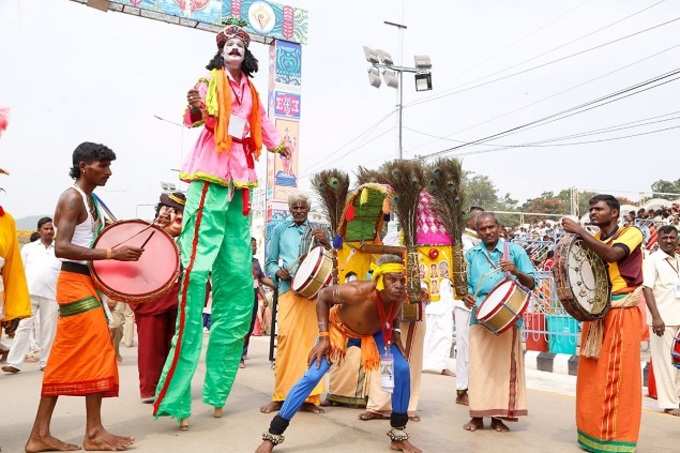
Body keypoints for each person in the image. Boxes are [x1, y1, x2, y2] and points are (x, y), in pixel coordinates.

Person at [153, 17, 291, 429]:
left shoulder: (250, 90)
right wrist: (196, 106)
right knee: (195, 280)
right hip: (210, 180)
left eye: (241, 44)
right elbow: (193, 117)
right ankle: (177, 400)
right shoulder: (209, 79)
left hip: (240, 185)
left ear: (247, 54)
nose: (235, 48)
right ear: (221, 50)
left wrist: (279, 146)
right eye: (229, 43)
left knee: (237, 288)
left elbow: (263, 128)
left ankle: (216, 391)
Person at [24, 142, 143, 452]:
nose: (109, 172)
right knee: (92, 352)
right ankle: (80, 433)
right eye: (102, 166)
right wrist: (111, 252)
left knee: (90, 353)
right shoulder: (71, 198)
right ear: (83, 166)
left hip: (85, 282)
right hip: (73, 282)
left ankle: (67, 432)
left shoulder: (90, 200)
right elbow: (61, 247)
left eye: (108, 165)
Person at [255, 255, 422, 453]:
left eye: (401, 280)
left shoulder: (399, 294)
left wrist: (394, 333)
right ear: (378, 279)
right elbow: (323, 296)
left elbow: (394, 311)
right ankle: (272, 435)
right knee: (313, 376)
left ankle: (398, 436)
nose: (399, 285)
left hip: (373, 332)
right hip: (339, 329)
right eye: (392, 279)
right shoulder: (357, 291)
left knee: (402, 368)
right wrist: (324, 337)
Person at [562, 194, 661, 453]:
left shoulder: (632, 233)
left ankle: (616, 440)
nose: (593, 212)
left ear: (615, 213)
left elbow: (613, 255)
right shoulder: (592, 239)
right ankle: (591, 436)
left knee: (617, 377)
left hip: (620, 310)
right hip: (596, 314)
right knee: (592, 376)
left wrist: (581, 231)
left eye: (599, 209)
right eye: (590, 209)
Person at [463, 212, 536, 433]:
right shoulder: (472, 254)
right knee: (479, 367)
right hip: (479, 315)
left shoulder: (515, 251)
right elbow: (463, 284)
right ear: (478, 232)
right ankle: (477, 416)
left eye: (491, 227)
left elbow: (532, 282)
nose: (487, 232)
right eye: (482, 229)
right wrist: (465, 296)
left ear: (499, 227)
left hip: (510, 316)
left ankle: (497, 417)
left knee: (503, 369)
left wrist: (515, 270)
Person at [261, 192, 329, 414]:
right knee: (285, 340)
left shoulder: (317, 230)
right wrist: (277, 271)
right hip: (287, 289)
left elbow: (329, 258)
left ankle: (310, 398)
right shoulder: (280, 229)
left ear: (308, 210)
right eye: (295, 208)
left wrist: (326, 243)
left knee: (312, 343)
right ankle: (280, 397)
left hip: (313, 293)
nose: (299, 211)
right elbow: (269, 263)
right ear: (290, 210)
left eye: (303, 208)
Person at [131, 192, 185, 403]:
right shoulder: (147, 234)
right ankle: (149, 388)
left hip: (176, 295)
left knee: (171, 342)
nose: (171, 215)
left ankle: (168, 384)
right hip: (150, 297)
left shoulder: (185, 237)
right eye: (168, 209)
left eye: (177, 211)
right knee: (150, 345)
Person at [2, 217, 60, 374]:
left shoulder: (59, 249)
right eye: (46, 228)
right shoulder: (28, 248)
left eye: (51, 229)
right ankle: (14, 363)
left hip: (52, 295)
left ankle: (46, 362)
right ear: (39, 230)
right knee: (23, 327)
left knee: (48, 330)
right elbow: (18, 270)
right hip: (29, 294)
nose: (49, 231)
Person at [642, 225, 679, 415]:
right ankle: (669, 403)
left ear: (677, 239)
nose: (669, 241)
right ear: (658, 239)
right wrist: (656, 317)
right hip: (662, 321)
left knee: (678, 364)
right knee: (665, 363)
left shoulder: (678, 260)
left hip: (678, 318)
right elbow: (647, 288)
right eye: (665, 237)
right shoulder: (652, 260)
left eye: (672, 237)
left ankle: (677, 399)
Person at [453, 206, 483, 406]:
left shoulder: (484, 242)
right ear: (471, 222)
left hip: (484, 302)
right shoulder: (462, 242)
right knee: (464, 346)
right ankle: (462, 390)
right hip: (465, 302)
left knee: (480, 348)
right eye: (479, 219)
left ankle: (479, 387)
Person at [241, 237, 275, 368]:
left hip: (253, 297)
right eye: (253, 245)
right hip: (240, 298)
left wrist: (276, 286)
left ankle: (242, 354)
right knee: (241, 327)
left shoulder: (255, 262)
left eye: (256, 246)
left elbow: (259, 280)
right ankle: (238, 358)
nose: (255, 248)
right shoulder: (239, 260)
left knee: (249, 328)